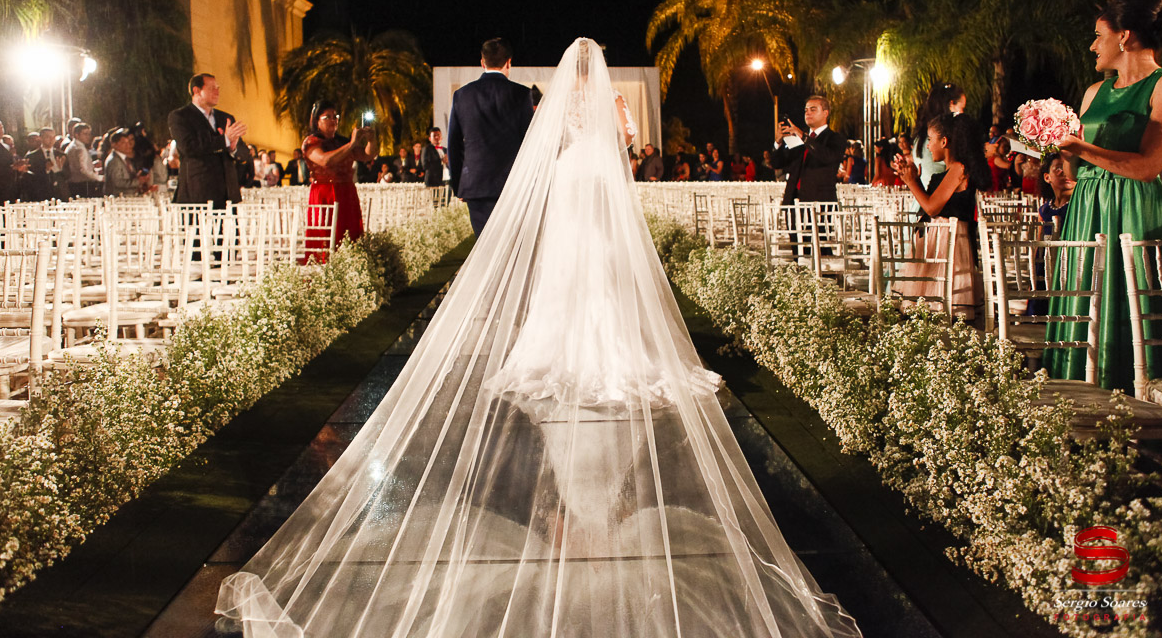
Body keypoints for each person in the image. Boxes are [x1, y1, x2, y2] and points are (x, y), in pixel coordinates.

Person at [216, 38, 861, 638]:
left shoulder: (538, 102)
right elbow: (626, 151)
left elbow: (539, 149)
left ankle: (561, 343)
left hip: (559, 184)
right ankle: (603, 345)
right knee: (601, 271)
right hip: (596, 184)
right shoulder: (601, 104)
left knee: (569, 270)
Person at [1046, 0, 1162, 389]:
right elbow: (1076, 168)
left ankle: (1136, 399)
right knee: (1084, 297)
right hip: (1087, 208)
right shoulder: (1092, 92)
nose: (1092, 45)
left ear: (1124, 36)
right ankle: (1073, 394)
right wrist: (1063, 160)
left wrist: (1082, 146)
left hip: (1133, 209)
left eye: (1098, 35)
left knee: (1128, 302)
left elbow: (1149, 165)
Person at [894, 113, 991, 318]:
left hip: (949, 245)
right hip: (937, 241)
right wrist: (911, 179)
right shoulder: (945, 172)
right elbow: (930, 203)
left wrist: (912, 182)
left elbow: (932, 208)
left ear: (944, 141)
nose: (928, 146)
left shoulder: (959, 168)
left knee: (942, 309)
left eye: (930, 140)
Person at [448, 38, 534, 236]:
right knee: (511, 246)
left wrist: (459, 184)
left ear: (482, 62)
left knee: (485, 247)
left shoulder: (462, 95)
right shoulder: (521, 94)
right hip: (513, 185)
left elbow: (453, 144)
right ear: (509, 62)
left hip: (476, 184)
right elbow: (528, 142)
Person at [302, 101, 375, 260]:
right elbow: (325, 160)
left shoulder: (342, 141)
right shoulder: (311, 142)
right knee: (326, 233)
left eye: (335, 116)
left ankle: (351, 266)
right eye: (327, 117)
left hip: (347, 192)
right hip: (324, 193)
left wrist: (372, 140)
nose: (333, 120)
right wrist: (351, 144)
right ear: (317, 121)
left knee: (349, 230)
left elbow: (367, 155)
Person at [169, 73, 250, 209]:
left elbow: (244, 153)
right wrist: (224, 140)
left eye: (218, 87)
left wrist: (234, 147)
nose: (217, 91)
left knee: (228, 230)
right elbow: (189, 147)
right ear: (196, 91)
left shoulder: (226, 118)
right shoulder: (180, 117)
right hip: (198, 193)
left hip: (228, 195)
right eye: (212, 88)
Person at [771, 95, 848, 204]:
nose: (808, 113)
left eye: (813, 110)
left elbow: (827, 157)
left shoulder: (835, 138)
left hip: (820, 203)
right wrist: (778, 143)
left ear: (825, 113)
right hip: (793, 202)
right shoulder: (799, 138)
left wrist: (804, 137)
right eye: (806, 110)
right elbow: (777, 164)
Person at [910, 82, 963, 192]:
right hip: (936, 202)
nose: (962, 113)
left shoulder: (920, 138)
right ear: (951, 105)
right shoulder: (938, 141)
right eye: (961, 108)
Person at [103, 129, 154, 196]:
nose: (128, 145)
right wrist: (138, 181)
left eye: (128, 142)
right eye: (124, 143)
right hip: (118, 199)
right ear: (114, 145)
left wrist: (137, 177)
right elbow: (117, 182)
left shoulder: (123, 158)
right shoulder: (114, 160)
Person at [24, 127, 67, 201]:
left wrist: (60, 170)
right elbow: (30, 178)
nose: (51, 140)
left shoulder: (61, 155)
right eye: (48, 137)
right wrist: (46, 170)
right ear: (41, 138)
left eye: (53, 137)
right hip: (41, 193)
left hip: (60, 193)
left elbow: (69, 174)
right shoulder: (32, 156)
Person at [1037, 153, 1073, 235]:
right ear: (1047, 177)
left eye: (1072, 168)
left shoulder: (1081, 206)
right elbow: (1039, 245)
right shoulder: (1044, 210)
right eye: (1059, 168)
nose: (1067, 172)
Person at [65, 123, 103, 198]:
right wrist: (99, 178)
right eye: (85, 134)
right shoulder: (80, 149)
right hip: (83, 185)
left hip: (74, 184)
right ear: (76, 135)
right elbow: (84, 170)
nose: (88, 136)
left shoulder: (71, 146)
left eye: (89, 134)